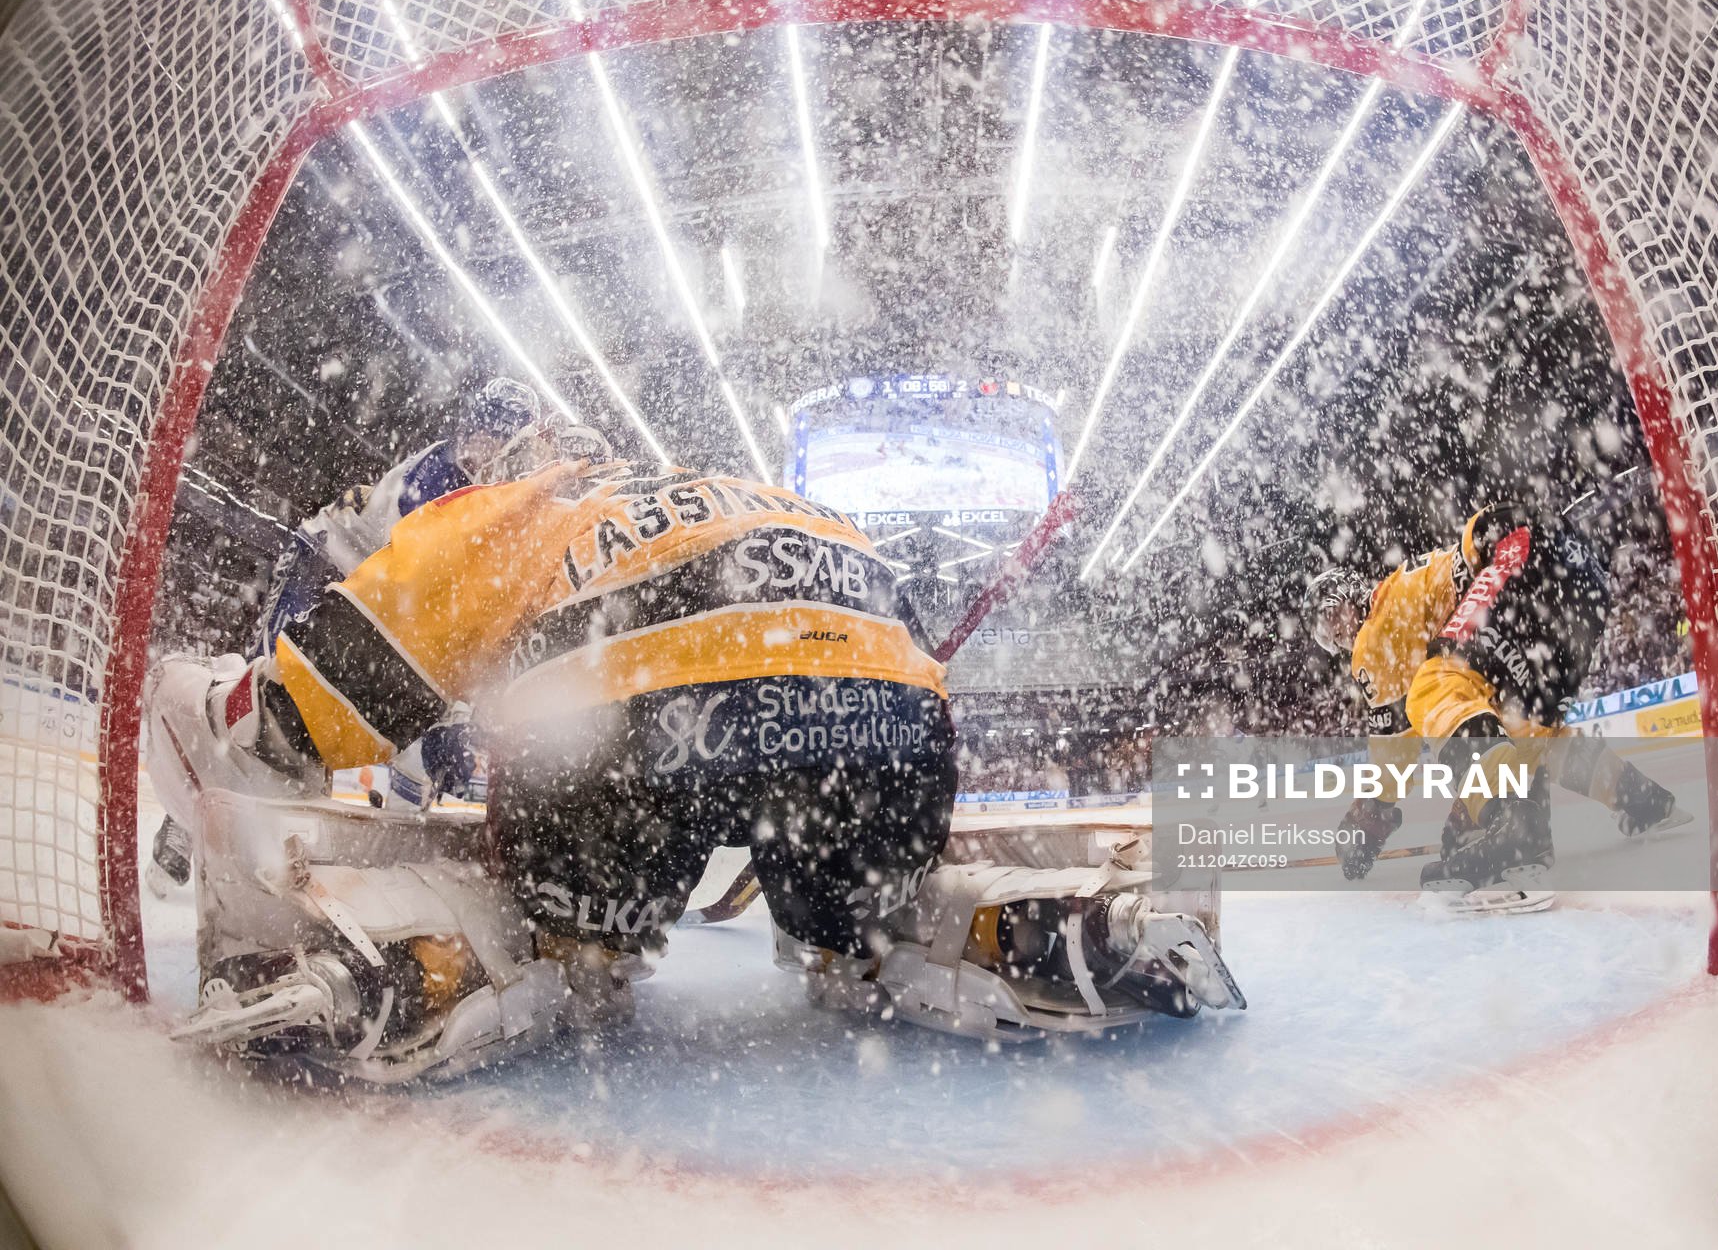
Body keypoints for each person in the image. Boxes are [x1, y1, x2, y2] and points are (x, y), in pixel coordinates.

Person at [149, 437, 1239, 1079]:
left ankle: (428, 962)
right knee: (874, 927)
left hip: (637, 726)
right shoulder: (778, 497)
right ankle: (1034, 929)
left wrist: (259, 718)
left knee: (569, 941)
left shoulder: (536, 500)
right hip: (887, 717)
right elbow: (917, 687)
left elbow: (358, 665)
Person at [145, 377, 539, 893]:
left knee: (296, 730)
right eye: (484, 437)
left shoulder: (474, 490)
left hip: (354, 592)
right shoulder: (448, 482)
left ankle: (255, 840)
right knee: (258, 698)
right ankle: (182, 822)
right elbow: (428, 593)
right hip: (322, 567)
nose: (484, 451)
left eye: (497, 441)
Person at [1307, 501, 1691, 907]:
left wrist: (1368, 817)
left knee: (1433, 686)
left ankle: (1513, 822)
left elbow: (1395, 753)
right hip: (1578, 586)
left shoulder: (1375, 632)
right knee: (1526, 730)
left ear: (1344, 602)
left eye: (1330, 623)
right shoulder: (1409, 587)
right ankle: (1639, 798)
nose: (1337, 639)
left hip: (1522, 561)